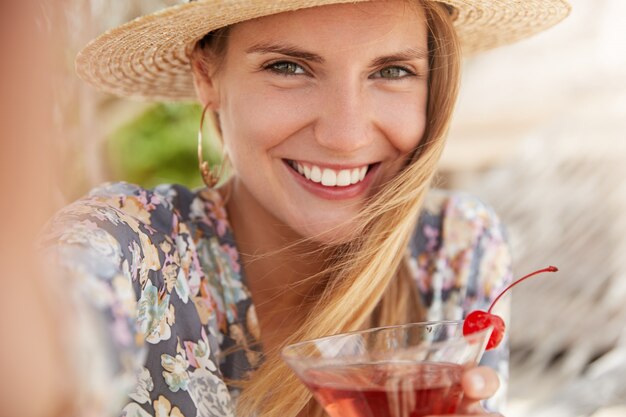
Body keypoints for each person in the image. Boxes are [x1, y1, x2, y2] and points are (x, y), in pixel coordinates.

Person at [40, 1, 571, 416]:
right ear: (207, 76)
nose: (344, 136)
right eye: (288, 66)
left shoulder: (456, 246)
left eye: (391, 71)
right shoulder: (127, 248)